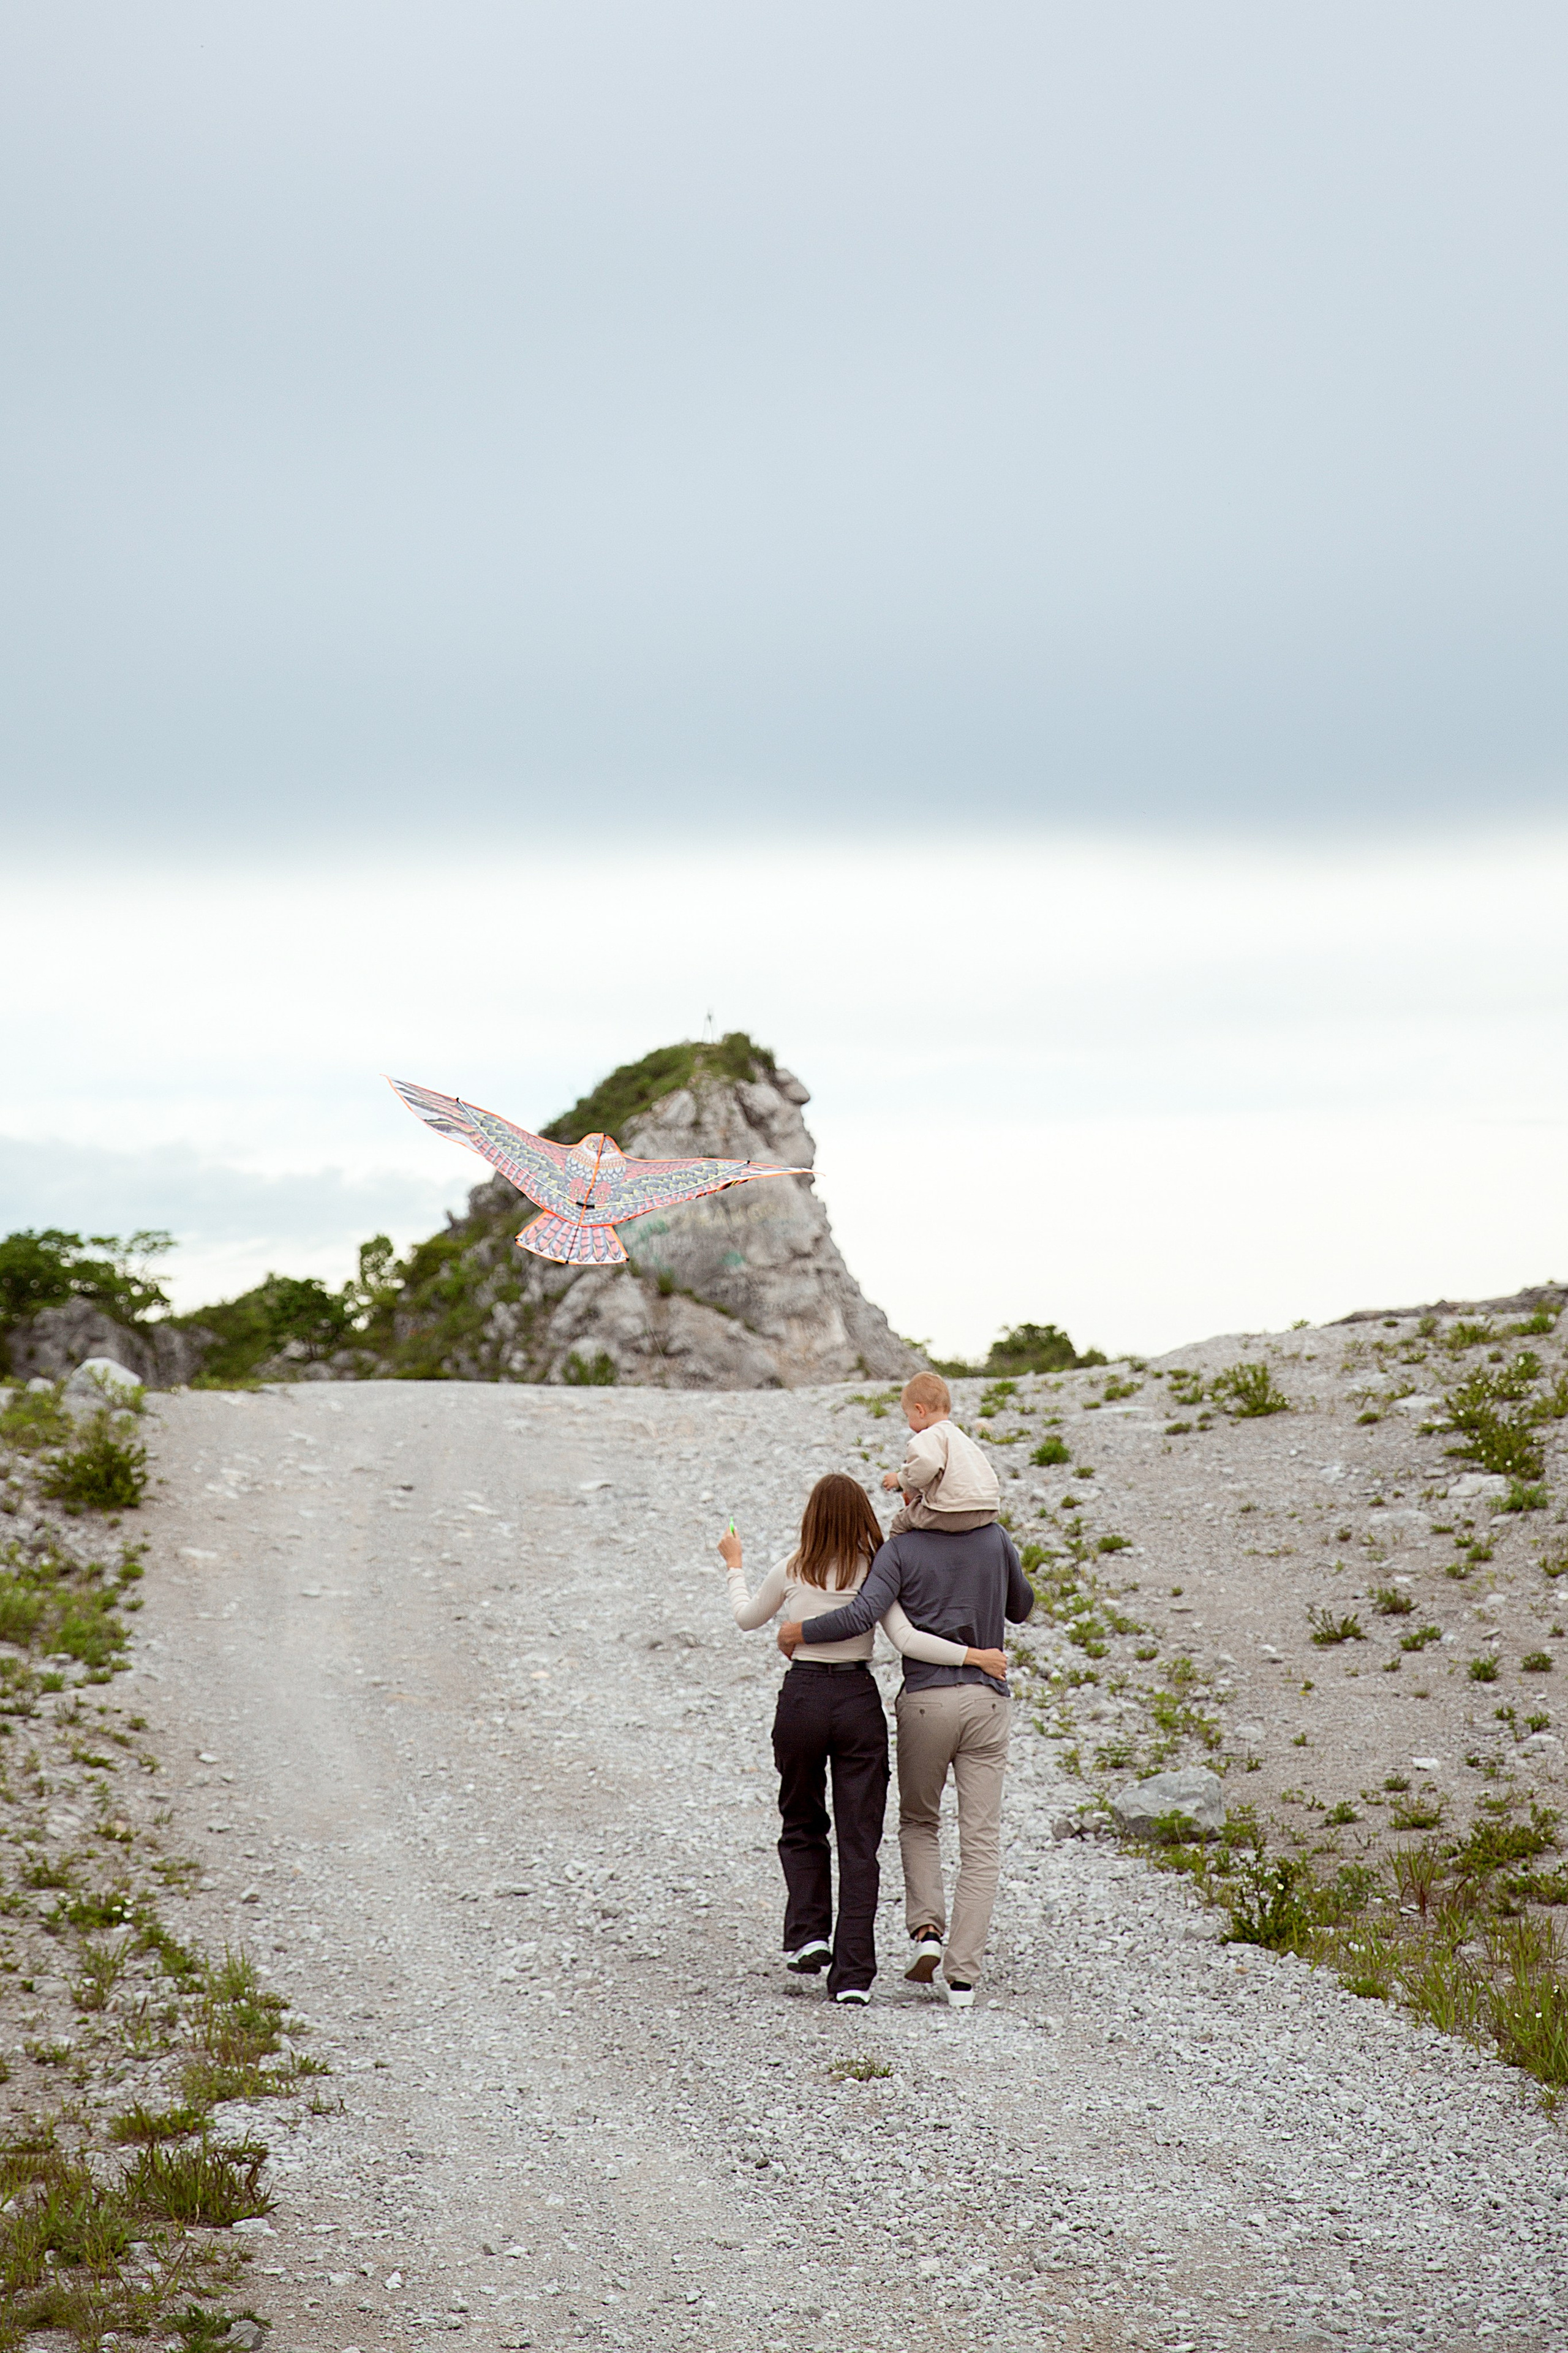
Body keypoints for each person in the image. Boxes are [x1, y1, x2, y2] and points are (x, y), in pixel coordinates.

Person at [718, 1473, 1007, 2006]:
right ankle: (853, 1975)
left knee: (802, 1819)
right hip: (856, 1700)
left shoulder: (791, 1567)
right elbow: (906, 1638)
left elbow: (745, 1618)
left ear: (812, 1517)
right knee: (859, 1839)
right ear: (862, 1519)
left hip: (803, 1699)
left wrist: (734, 1563)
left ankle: (809, 1933)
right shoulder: (877, 1571)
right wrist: (973, 1656)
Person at [777, 1506, 1033, 2009]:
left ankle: (927, 1931)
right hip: (987, 1700)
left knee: (919, 1821)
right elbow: (1021, 1606)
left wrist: (798, 1631)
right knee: (981, 1841)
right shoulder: (995, 1538)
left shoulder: (898, 1551)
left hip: (925, 1702)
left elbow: (860, 1615)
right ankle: (962, 1979)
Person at [883, 1372, 1000, 1535]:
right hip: (987, 1509)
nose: (908, 1422)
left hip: (951, 1511)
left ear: (920, 1411)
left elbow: (925, 1465)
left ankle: (900, 1552)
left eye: (908, 1416)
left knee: (901, 1522)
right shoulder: (962, 1438)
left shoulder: (928, 1437)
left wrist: (900, 1479)